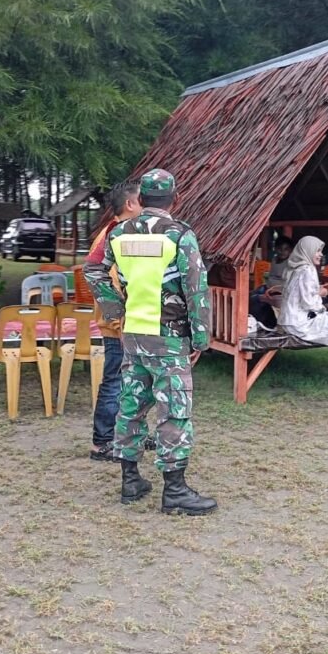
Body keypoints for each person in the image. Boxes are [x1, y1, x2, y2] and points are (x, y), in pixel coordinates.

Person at [84, 169, 217, 515]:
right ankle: (174, 491)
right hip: (169, 337)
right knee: (173, 410)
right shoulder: (179, 235)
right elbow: (195, 288)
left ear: (140, 200)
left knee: (131, 406)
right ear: (175, 199)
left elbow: (93, 270)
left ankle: (131, 482)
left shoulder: (119, 234)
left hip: (132, 336)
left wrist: (114, 309)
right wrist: (201, 337)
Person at [86, 182, 155, 463]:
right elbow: (102, 277)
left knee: (136, 382)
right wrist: (118, 320)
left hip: (131, 324)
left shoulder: (129, 234)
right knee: (115, 381)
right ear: (130, 204)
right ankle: (102, 442)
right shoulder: (115, 234)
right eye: (142, 199)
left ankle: (131, 434)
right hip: (119, 327)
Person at [249, 235, 294, 328]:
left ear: (291, 250)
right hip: (268, 287)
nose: (282, 251)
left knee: (255, 299)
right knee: (249, 296)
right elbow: (272, 276)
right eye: (279, 248)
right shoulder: (274, 259)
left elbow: (287, 282)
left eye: (286, 249)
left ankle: (265, 323)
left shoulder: (290, 263)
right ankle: (256, 321)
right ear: (275, 249)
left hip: (278, 291)